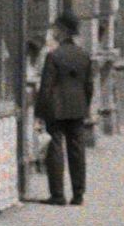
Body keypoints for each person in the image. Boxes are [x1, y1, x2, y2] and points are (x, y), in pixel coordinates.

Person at [34, 13, 93, 206]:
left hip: (56, 109)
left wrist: (40, 112)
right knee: (77, 150)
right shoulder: (83, 55)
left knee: (56, 148)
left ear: (64, 30)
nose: (54, 33)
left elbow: (46, 86)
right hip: (77, 108)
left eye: (56, 29)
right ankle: (78, 194)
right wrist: (85, 105)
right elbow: (89, 85)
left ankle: (57, 194)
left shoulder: (54, 56)